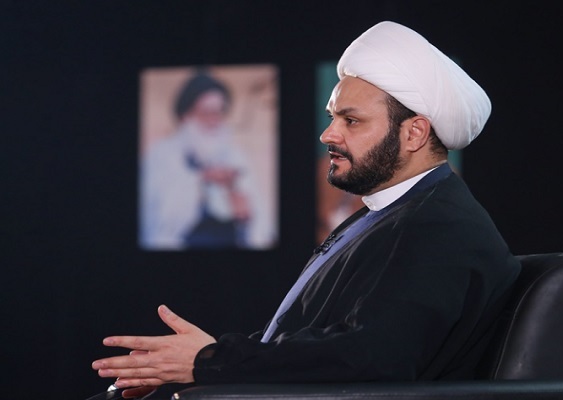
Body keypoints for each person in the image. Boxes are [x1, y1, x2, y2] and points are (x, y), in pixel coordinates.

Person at [93, 21, 521, 398]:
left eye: (351, 120)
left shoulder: (439, 226)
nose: (327, 134)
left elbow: (371, 359)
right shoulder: (389, 215)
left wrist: (209, 362)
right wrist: (190, 365)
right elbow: (310, 339)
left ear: (414, 134)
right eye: (332, 117)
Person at [140, 72, 261, 249]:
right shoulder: (161, 155)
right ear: (185, 116)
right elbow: (157, 218)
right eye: (206, 112)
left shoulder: (235, 155)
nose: (214, 120)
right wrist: (202, 178)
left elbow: (257, 222)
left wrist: (243, 211)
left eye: (219, 112)